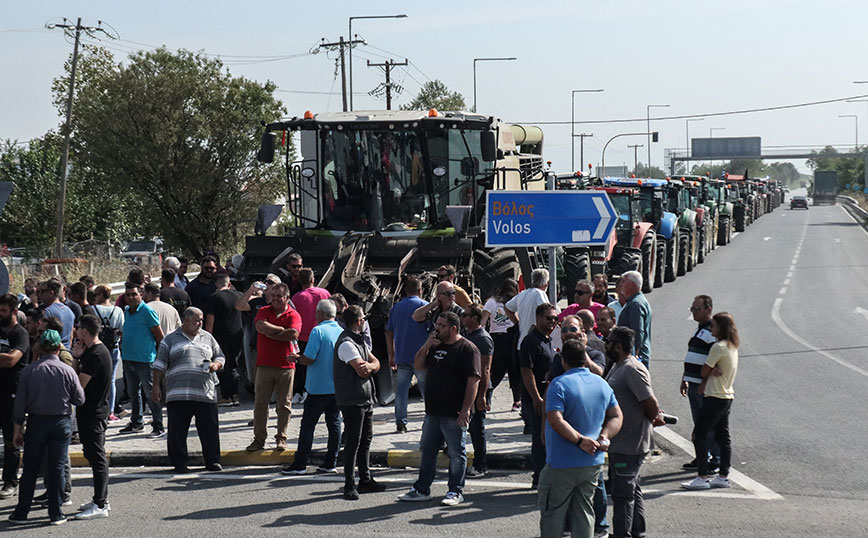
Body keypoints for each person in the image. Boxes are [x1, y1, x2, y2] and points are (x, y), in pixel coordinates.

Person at [539, 339, 622, 538]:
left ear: (563, 360)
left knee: (553, 514)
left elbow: (554, 418)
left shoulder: (559, 384)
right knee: (584, 513)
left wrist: (579, 440)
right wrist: (604, 436)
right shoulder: (601, 384)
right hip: (592, 463)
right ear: (585, 359)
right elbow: (617, 415)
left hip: (561, 464)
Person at [398, 311, 481, 506]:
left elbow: (473, 381)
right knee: (427, 450)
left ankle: (455, 490)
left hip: (454, 412)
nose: (437, 329)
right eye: (437, 325)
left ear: (453, 328)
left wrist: (465, 410)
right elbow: (418, 365)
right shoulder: (436, 346)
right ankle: (421, 488)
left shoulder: (467, 349)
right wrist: (427, 345)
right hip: (433, 411)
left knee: (456, 452)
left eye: (442, 326)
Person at [8, 329, 84, 526]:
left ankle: (21, 511)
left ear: (40, 347)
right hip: (61, 422)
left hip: (36, 421)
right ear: (59, 347)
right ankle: (55, 513)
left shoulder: (30, 370)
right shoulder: (68, 370)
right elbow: (80, 399)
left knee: (30, 468)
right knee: (57, 467)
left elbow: (19, 406)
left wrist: (18, 430)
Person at [605, 327, 665, 538]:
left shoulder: (632, 368)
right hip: (621, 442)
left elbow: (650, 402)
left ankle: (623, 534)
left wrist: (653, 418)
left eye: (609, 341)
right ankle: (637, 532)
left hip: (629, 444)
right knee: (632, 490)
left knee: (622, 496)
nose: (606, 344)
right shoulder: (618, 366)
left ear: (619, 346)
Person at [152, 307, 225, 474]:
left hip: (204, 392)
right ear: (185, 320)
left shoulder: (207, 337)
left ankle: (212, 460)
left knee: (209, 430)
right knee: (177, 430)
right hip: (178, 393)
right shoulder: (170, 339)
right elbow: (159, 364)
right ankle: (179, 462)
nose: (200, 323)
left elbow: (220, 356)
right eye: (196, 320)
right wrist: (156, 386)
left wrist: (216, 364)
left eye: (201, 320)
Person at [282, 299, 343, 475]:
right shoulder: (340, 331)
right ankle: (331, 462)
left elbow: (310, 358)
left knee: (308, 425)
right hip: (336, 386)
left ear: (321, 314)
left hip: (317, 387)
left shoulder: (318, 331)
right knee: (334, 423)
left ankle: (300, 463)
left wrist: (296, 358)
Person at [682, 312, 740, 491]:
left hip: (714, 396)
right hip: (726, 396)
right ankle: (723, 475)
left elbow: (703, 371)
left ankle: (702, 476)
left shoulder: (718, 347)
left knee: (699, 435)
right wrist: (711, 369)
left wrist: (709, 369)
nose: (711, 328)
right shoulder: (732, 346)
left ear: (720, 327)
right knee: (723, 436)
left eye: (713, 325)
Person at [333, 305, 386, 500]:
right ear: (358, 321)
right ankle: (349, 484)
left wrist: (371, 365)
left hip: (365, 399)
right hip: (352, 400)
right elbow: (361, 370)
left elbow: (376, 363)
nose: (365, 321)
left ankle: (365, 479)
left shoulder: (359, 341)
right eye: (364, 318)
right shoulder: (347, 344)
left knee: (366, 441)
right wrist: (371, 366)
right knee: (353, 443)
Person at [248, 283, 301, 452]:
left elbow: (293, 333)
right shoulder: (263, 310)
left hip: (286, 366)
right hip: (264, 365)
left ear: (287, 297)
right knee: (260, 404)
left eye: (279, 296)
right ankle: (259, 439)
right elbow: (259, 327)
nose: (276, 299)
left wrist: (270, 332)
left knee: (284, 405)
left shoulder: (294, 314)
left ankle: (281, 438)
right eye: (274, 295)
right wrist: (280, 330)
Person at [69, 314, 112, 520]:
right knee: (92, 454)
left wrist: (77, 360)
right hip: (90, 411)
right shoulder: (91, 351)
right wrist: (77, 357)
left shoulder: (96, 354)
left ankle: (101, 504)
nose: (76, 331)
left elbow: (78, 386)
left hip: (94, 413)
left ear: (85, 331)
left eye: (78, 328)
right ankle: (100, 497)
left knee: (97, 458)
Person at [520, 303, 559, 489]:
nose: (552, 322)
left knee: (547, 438)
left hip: (548, 398)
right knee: (539, 439)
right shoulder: (530, 341)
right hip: (535, 400)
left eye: (555, 319)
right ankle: (539, 479)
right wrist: (536, 398)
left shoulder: (547, 339)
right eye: (548, 318)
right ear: (538, 318)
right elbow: (527, 371)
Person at [679, 295, 720, 473]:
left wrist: (704, 382)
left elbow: (714, 360)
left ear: (708, 310)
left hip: (704, 386)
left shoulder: (712, 331)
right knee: (699, 424)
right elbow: (693, 355)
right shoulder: (700, 330)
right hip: (694, 383)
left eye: (697, 309)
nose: (694, 312)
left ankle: (715, 459)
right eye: (692, 309)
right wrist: (685, 378)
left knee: (708, 424)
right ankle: (703, 456)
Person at [118, 283, 165, 437]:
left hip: (145, 360)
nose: (131, 298)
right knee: (133, 393)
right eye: (128, 295)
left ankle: (158, 425)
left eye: (134, 294)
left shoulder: (147, 311)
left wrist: (160, 359)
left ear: (141, 294)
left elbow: (160, 337)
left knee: (151, 394)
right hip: (128, 358)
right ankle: (137, 422)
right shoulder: (126, 311)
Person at [385, 276, 430, 433]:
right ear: (420, 290)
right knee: (427, 392)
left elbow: (388, 331)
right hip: (422, 358)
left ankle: (401, 423)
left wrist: (391, 354)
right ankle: (430, 419)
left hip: (402, 356)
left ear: (404, 290)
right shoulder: (425, 306)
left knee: (401, 392)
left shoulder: (396, 308)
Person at [0, 294, 30, 499]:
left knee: (12, 439)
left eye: (2, 310)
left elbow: (12, 360)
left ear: (13, 312)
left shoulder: (20, 334)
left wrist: (7, 357)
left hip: (13, 393)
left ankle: (10, 481)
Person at [461, 304, 493, 478]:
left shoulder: (483, 339)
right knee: (471, 428)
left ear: (474, 318)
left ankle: (481, 465)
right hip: (469, 387)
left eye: (465, 315)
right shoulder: (470, 335)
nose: (463, 318)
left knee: (477, 428)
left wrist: (481, 396)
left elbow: (485, 369)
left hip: (479, 389)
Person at [290, 268, 331, 402]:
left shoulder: (296, 298)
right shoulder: (325, 293)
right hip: (323, 335)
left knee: (302, 365)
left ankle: (300, 392)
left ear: (300, 281)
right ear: (313, 280)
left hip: (303, 336)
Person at [235, 274, 281, 393]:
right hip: (258, 344)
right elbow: (239, 306)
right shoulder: (257, 302)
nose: (267, 284)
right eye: (266, 282)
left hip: (276, 344)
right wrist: (251, 291)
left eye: (271, 282)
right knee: (259, 375)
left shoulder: (282, 302)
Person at [482, 278, 522, 412]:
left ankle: (487, 398)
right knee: (513, 369)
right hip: (511, 337)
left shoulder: (491, 302)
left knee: (495, 370)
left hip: (496, 338)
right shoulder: (516, 301)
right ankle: (517, 401)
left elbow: (483, 321)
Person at [204, 273, 243, 406]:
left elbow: (210, 321)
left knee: (223, 365)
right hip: (237, 334)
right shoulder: (238, 295)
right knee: (233, 365)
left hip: (221, 335)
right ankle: (235, 395)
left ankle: (227, 396)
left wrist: (206, 338)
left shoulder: (214, 298)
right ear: (229, 283)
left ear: (216, 284)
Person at [92, 285, 124, 421]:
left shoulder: (93, 310)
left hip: (98, 348)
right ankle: (110, 411)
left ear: (99, 295)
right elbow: (122, 329)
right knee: (111, 380)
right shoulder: (118, 310)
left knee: (95, 378)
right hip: (113, 347)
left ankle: (97, 407)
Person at [505, 268, 553, 350]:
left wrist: (517, 323)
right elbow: (547, 312)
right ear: (547, 283)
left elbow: (507, 307)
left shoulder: (522, 294)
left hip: (521, 343)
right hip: (536, 343)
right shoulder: (540, 294)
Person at [616, 272, 652, 368]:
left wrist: (634, 355)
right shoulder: (636, 301)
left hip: (635, 357)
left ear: (632, 285)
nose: (621, 285)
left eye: (623, 281)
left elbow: (637, 332)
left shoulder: (636, 304)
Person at [38, 280, 75, 348]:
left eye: (42, 291)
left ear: (51, 293)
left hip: (53, 352)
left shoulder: (48, 312)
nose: (39, 294)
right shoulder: (69, 311)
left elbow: (43, 336)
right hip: (66, 352)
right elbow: (71, 336)